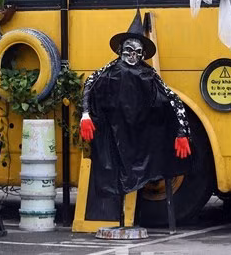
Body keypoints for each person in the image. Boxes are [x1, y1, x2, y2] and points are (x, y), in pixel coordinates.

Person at [80, 11, 192, 212]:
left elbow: (172, 98)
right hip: (115, 135)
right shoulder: (108, 72)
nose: (132, 55)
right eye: (128, 50)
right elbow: (89, 83)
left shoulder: (149, 74)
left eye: (137, 52)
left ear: (142, 54)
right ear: (120, 50)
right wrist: (86, 114)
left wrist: (181, 132)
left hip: (142, 134)